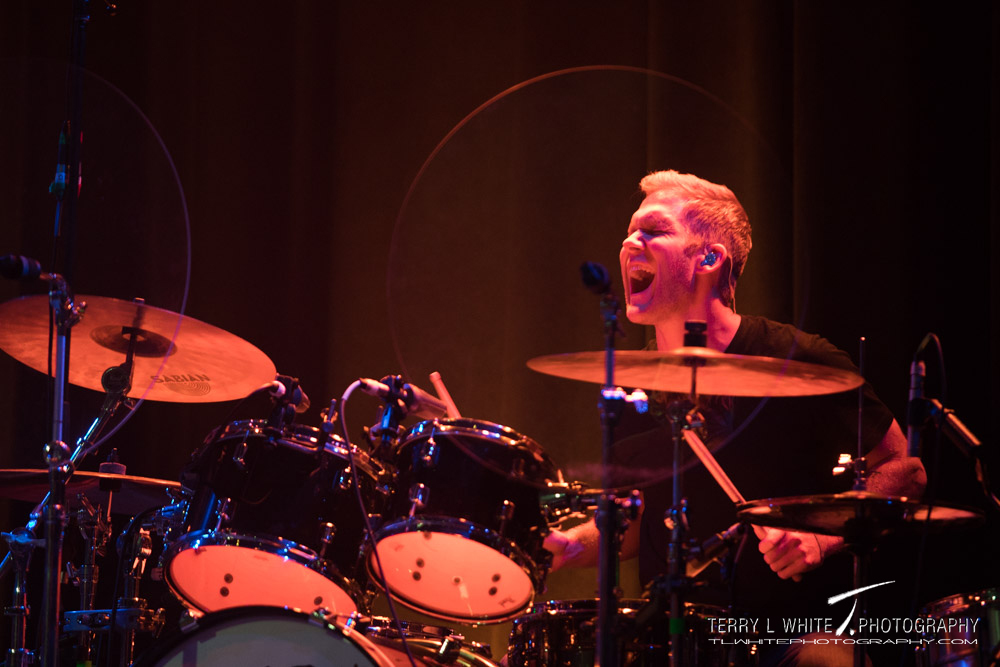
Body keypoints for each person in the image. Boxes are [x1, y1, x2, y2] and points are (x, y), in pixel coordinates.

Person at [543, 170, 926, 666]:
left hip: (790, 639)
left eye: (653, 231)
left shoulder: (797, 361)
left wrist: (823, 537)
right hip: (674, 638)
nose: (628, 241)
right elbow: (637, 518)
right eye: (629, 230)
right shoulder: (633, 382)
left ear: (709, 258)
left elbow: (905, 469)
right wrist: (568, 548)